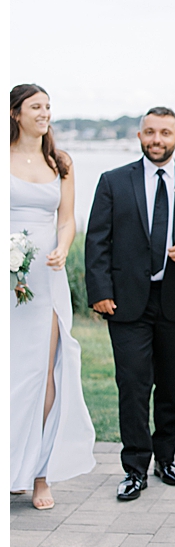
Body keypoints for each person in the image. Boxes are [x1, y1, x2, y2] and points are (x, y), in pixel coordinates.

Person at [84, 107, 175, 502]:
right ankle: (134, 468)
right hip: (126, 303)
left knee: (171, 387)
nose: (157, 139)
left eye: (165, 133)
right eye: (150, 132)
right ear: (140, 136)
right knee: (133, 386)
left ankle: (167, 459)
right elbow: (97, 240)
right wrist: (99, 291)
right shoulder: (113, 181)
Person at [9, 84, 94, 510]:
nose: (44, 113)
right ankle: (10, 468)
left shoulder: (60, 161)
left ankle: (39, 474)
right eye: (35, 106)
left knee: (44, 374)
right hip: (8, 277)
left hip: (47, 278)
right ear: (15, 113)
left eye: (48, 107)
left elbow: (66, 219)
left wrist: (62, 246)